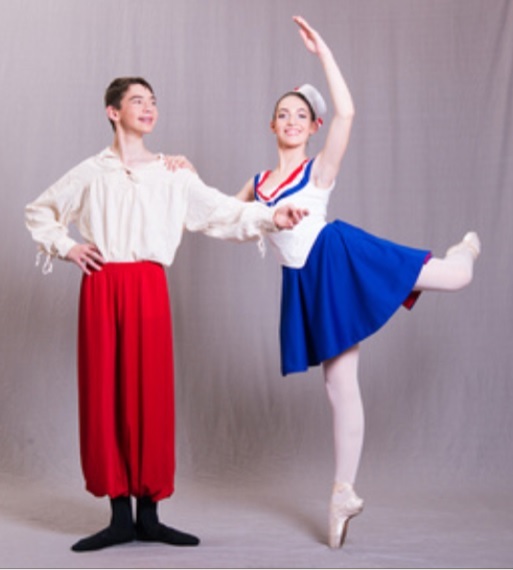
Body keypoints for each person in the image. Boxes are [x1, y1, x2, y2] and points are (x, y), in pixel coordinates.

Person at [25, 76, 307, 552]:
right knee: (104, 394)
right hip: (102, 283)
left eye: (153, 101)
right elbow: (40, 211)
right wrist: (68, 247)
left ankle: (150, 516)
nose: (149, 108)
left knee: (150, 394)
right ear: (113, 112)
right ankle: (118, 516)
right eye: (137, 101)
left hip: (149, 286)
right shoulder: (92, 171)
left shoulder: (173, 172)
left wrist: (268, 216)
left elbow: (218, 211)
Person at [236, 16, 481, 549]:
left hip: (340, 259)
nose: (292, 119)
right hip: (305, 284)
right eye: (283, 114)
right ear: (271, 125)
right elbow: (219, 219)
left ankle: (463, 250)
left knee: (456, 278)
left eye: (302, 114)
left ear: (313, 128)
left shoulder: (317, 171)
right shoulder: (257, 184)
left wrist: (322, 50)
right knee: (338, 386)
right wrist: (176, 176)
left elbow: (347, 111)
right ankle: (343, 492)